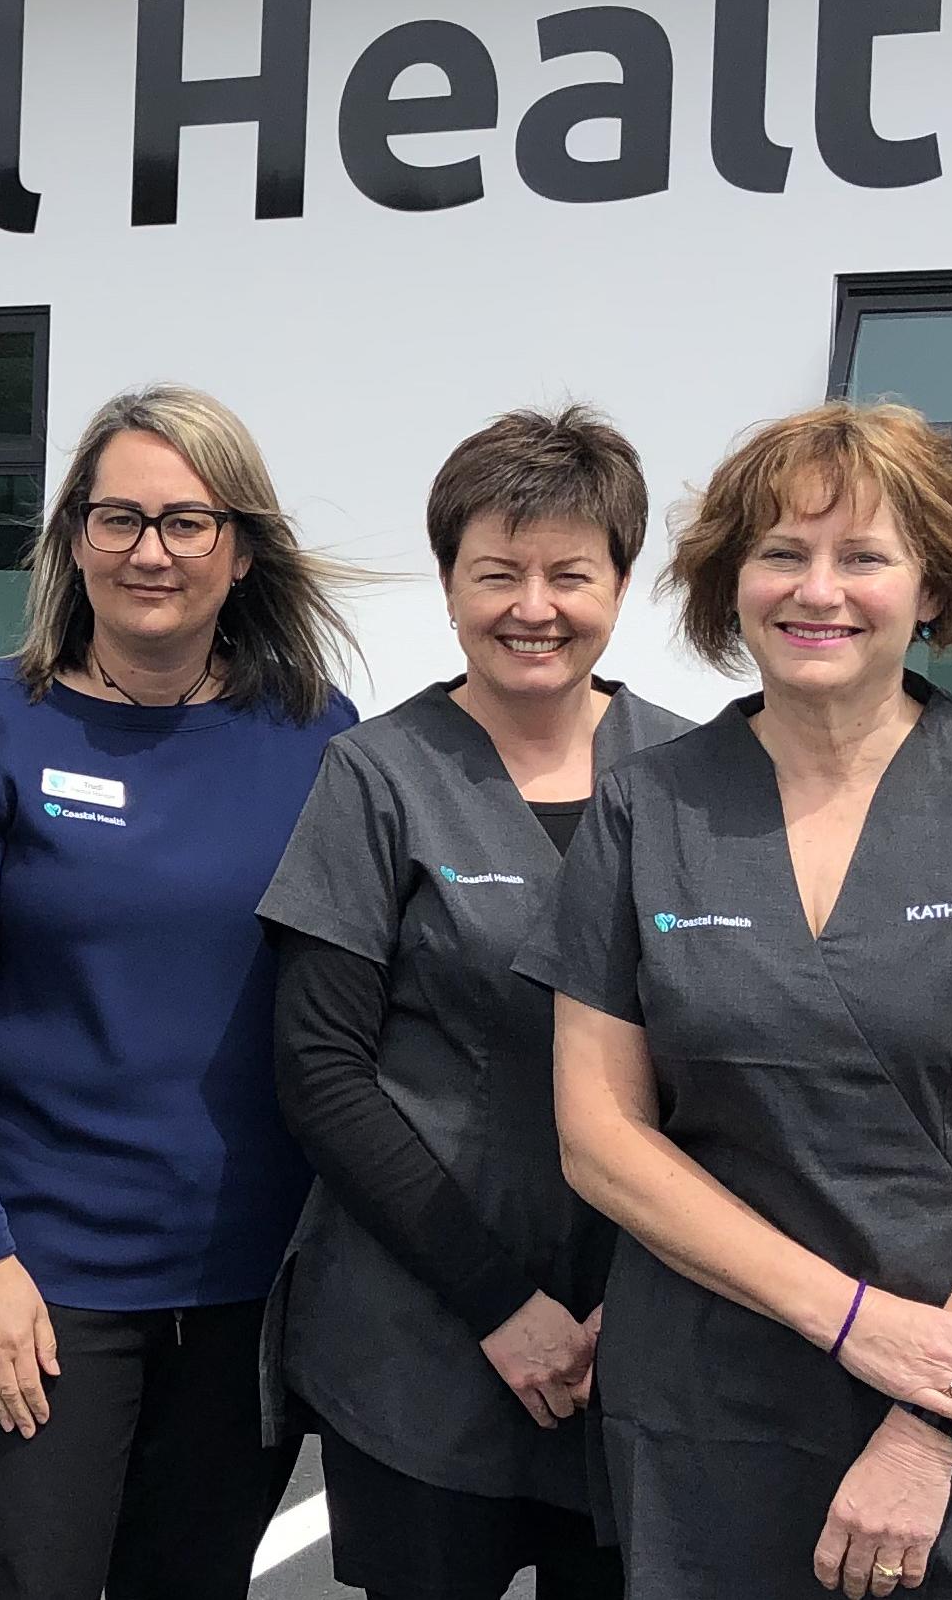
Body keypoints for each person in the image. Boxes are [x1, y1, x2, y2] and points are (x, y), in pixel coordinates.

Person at [520, 402, 952, 1599]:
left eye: (863, 555)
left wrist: (930, 1427)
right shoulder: (644, 809)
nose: (818, 590)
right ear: (732, 584)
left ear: (931, 589)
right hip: (723, 1392)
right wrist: (851, 1319)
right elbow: (601, 1138)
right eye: (782, 552)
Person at [0, 382, 367, 1600]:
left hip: (250, 1276)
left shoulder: (315, 735)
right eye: (119, 519)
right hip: (42, 1272)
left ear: (241, 549)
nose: (151, 551)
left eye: (187, 521)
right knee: (21, 1577)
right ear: (74, 540)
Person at [256, 408, 692, 1600]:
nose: (531, 606)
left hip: (643, 1328)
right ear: (449, 584)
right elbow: (321, 1072)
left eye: (570, 573)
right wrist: (501, 1303)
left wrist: (625, 1309)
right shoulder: (379, 776)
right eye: (496, 572)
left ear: (622, 582)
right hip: (427, 1321)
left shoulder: (695, 781)